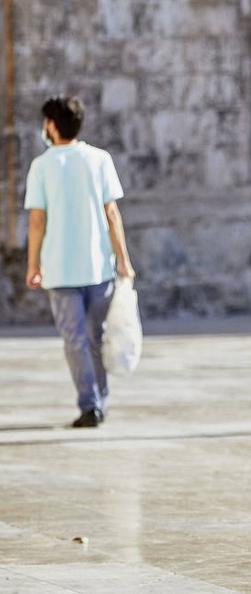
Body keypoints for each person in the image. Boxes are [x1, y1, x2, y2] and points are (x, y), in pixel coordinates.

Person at [24, 95, 135, 428]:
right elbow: (112, 214)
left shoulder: (42, 166)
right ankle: (98, 400)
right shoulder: (100, 159)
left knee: (75, 339)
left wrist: (33, 265)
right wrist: (123, 261)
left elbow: (37, 221)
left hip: (59, 269)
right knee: (93, 337)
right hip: (98, 266)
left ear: (52, 125)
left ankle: (91, 404)